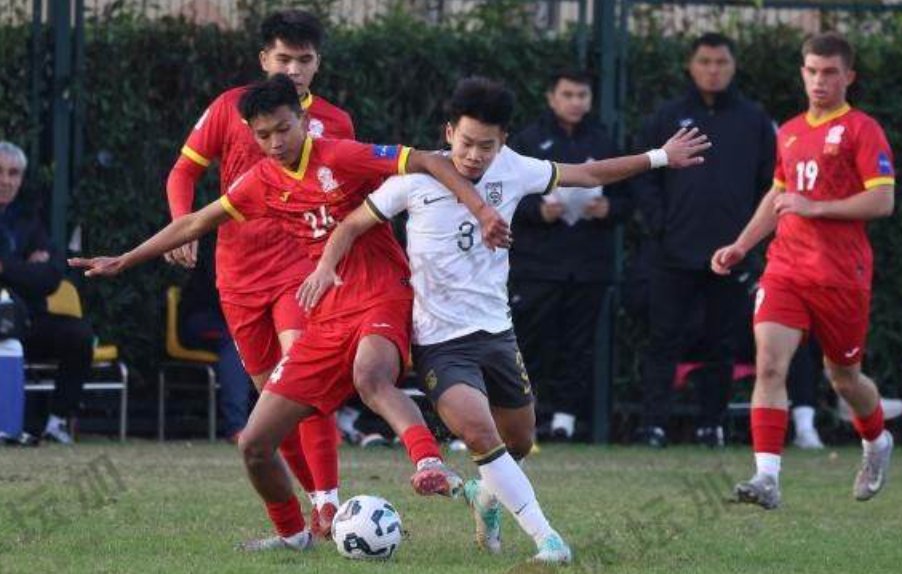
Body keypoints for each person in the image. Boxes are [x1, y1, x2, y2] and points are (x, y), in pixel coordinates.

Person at [71, 73, 509, 551]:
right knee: (254, 444)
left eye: (284, 129)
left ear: (303, 119)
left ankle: (427, 462)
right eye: (263, 135)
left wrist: (480, 210)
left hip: (381, 291)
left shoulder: (340, 154)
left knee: (371, 375)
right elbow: (197, 220)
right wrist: (125, 259)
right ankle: (294, 536)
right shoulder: (259, 181)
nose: (275, 143)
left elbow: (426, 159)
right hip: (327, 311)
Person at [296, 77, 709, 563]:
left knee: (518, 441)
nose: (474, 155)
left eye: (486, 146)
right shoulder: (414, 178)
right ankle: (548, 540)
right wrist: (326, 267)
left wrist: (659, 156)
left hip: (496, 333)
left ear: (503, 143)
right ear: (449, 132)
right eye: (466, 142)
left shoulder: (515, 169)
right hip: (439, 341)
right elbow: (350, 225)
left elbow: (588, 173)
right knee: (480, 435)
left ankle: (487, 497)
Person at [164, 9, 353, 536]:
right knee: (273, 395)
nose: (293, 69)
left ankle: (328, 504)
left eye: (304, 60)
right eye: (283, 58)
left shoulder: (335, 123)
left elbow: (348, 200)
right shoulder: (230, 108)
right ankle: (303, 514)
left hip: (301, 267)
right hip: (238, 273)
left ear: (317, 64)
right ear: (263, 59)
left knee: (300, 375)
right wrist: (185, 224)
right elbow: (184, 171)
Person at [712, 32, 895, 509]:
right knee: (770, 364)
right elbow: (779, 198)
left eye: (830, 72)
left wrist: (814, 207)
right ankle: (766, 477)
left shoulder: (861, 129)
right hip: (786, 269)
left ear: (848, 76)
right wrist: (741, 243)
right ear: (802, 72)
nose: (820, 80)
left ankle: (876, 442)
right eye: (812, 70)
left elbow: (882, 199)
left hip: (841, 276)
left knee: (844, 378)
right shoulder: (790, 131)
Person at [633, 32, 776, 447]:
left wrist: (749, 241)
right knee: (664, 339)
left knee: (722, 342)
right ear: (691, 66)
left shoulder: (754, 120)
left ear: (733, 67)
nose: (713, 70)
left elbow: (771, 184)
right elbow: (644, 177)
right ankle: (653, 425)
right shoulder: (667, 116)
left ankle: (711, 424)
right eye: (705, 62)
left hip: (732, 252)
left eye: (721, 63)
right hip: (673, 251)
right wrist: (661, 225)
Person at [507, 70, 633, 440]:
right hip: (538, 266)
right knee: (528, 341)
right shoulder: (530, 140)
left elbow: (629, 197)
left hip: (588, 265)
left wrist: (608, 209)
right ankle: (523, 416)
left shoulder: (604, 140)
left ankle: (564, 419)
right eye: (568, 94)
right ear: (551, 97)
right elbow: (506, 196)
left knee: (578, 347)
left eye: (582, 94)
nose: (576, 102)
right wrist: (536, 212)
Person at [0, 141, 94, 445]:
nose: (6, 180)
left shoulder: (29, 220)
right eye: (0, 172)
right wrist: (25, 268)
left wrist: (6, 267)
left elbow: (52, 277)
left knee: (78, 335)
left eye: (13, 173)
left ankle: (55, 422)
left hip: (30, 317)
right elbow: (36, 277)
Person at [178, 236, 251, 442]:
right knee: (234, 342)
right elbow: (222, 295)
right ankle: (237, 427)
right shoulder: (220, 245)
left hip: (234, 319)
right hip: (203, 318)